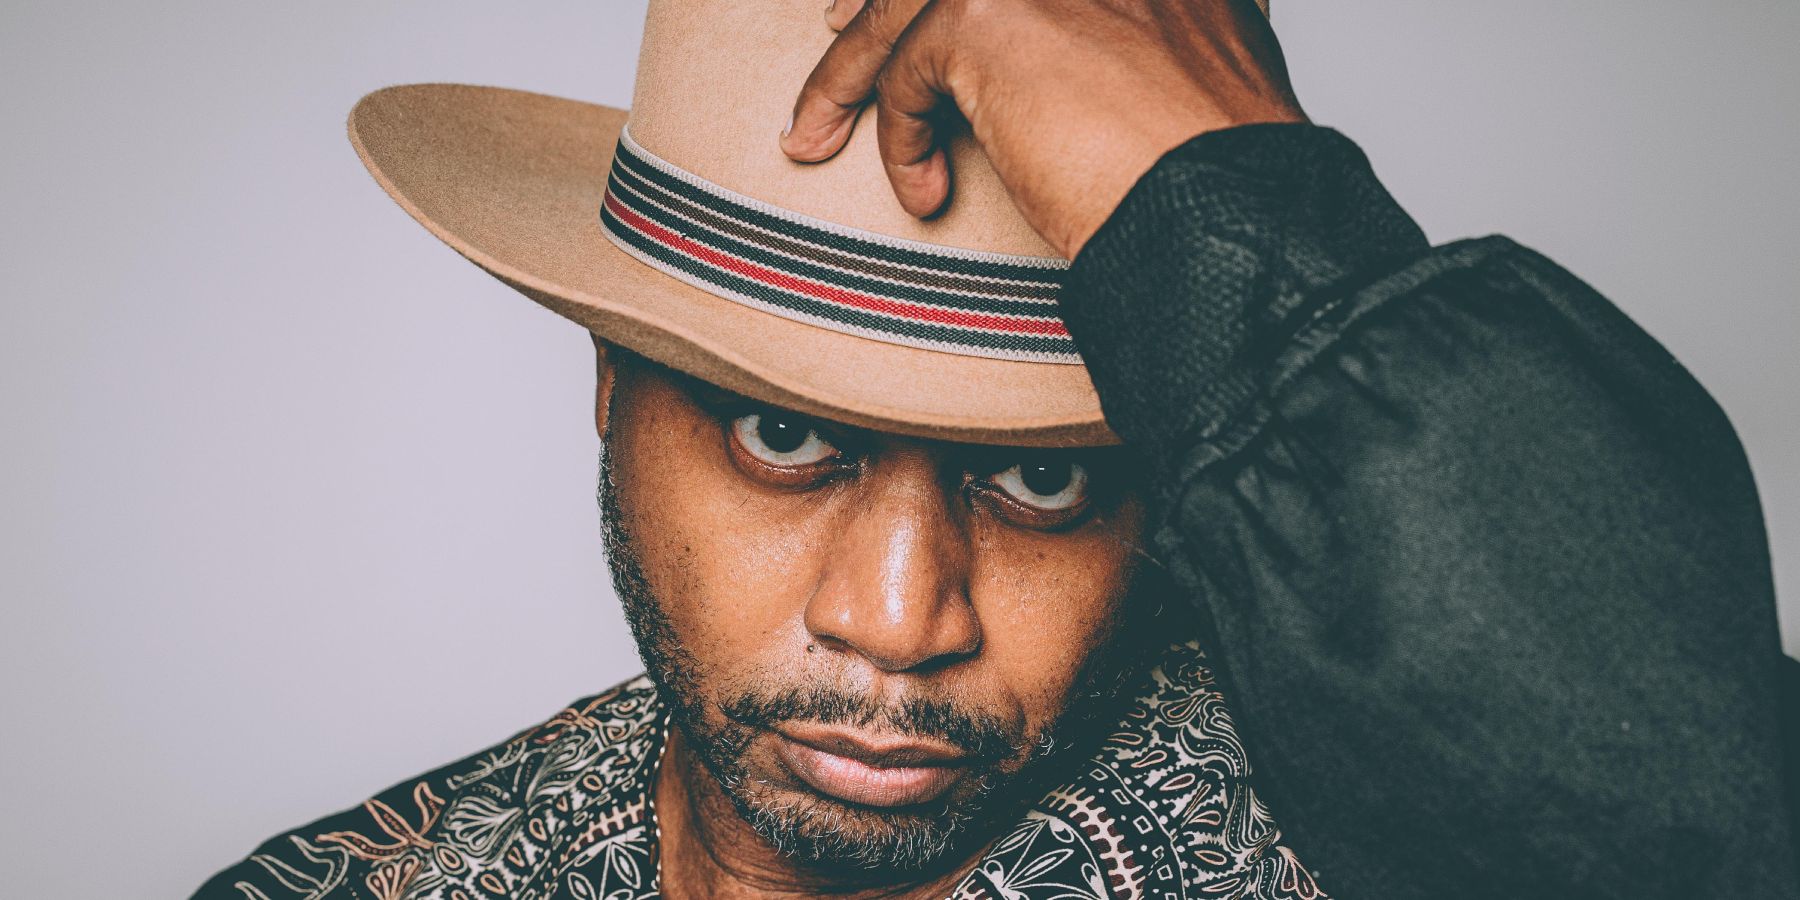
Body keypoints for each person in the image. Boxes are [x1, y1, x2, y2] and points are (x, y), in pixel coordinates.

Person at [196, 0, 1800, 897]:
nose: (900, 619)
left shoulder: (1405, 846)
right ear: (611, 385)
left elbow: (1700, 812)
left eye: (1044, 476)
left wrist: (1242, 219)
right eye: (782, 434)